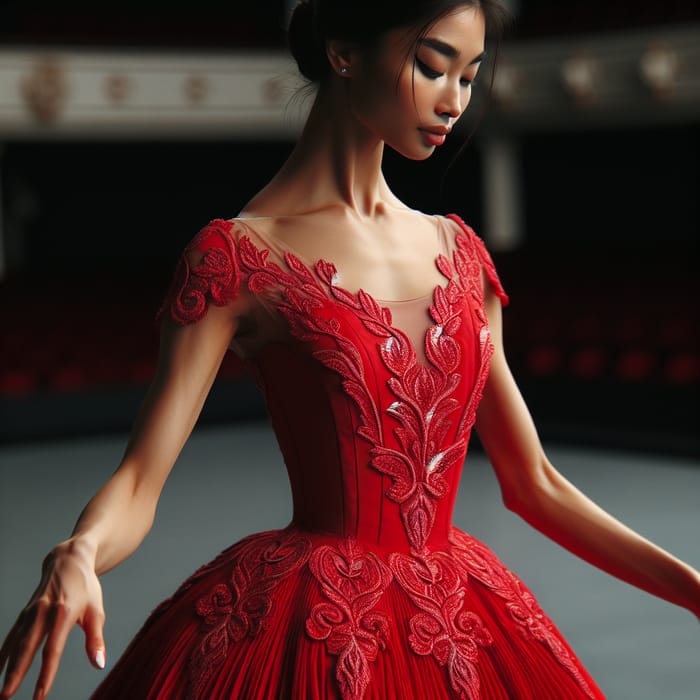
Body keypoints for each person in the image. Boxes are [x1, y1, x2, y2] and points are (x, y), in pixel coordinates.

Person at [1, 1, 699, 698]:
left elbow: (535, 484)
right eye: (432, 66)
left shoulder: (461, 253)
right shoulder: (237, 257)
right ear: (343, 52)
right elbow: (138, 481)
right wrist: (81, 549)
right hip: (308, 619)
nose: (454, 100)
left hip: (461, 614)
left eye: (470, 75)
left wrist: (691, 588)